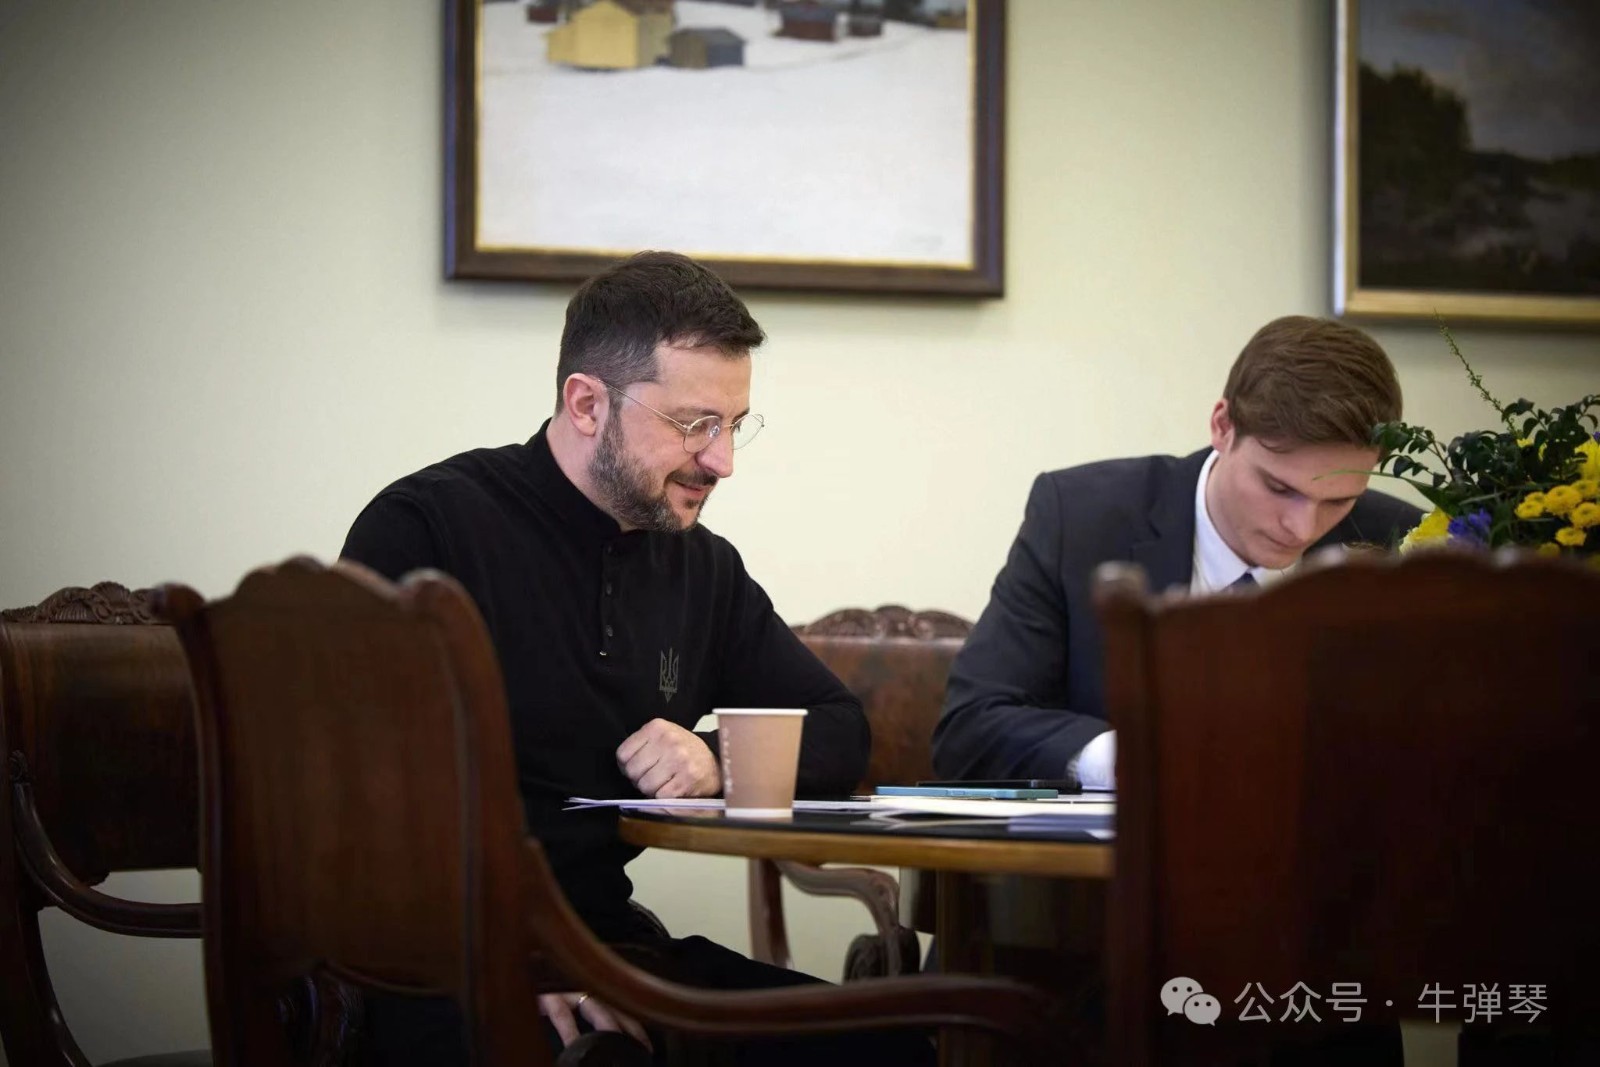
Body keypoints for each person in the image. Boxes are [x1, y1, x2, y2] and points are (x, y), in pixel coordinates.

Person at [341, 251, 930, 1066]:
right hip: (431, 958)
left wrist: (718, 757)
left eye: (734, 424)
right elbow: (353, 796)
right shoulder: (428, 528)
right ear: (587, 403)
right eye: (695, 425)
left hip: (609, 948)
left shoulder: (704, 570)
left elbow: (840, 727)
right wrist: (509, 954)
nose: (723, 460)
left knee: (888, 1049)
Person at [933, 315, 1422, 790]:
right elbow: (970, 728)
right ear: (1222, 426)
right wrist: (1127, 759)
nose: (1303, 527)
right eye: (1278, 488)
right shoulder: (1080, 519)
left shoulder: (1402, 544)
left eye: (1338, 500)